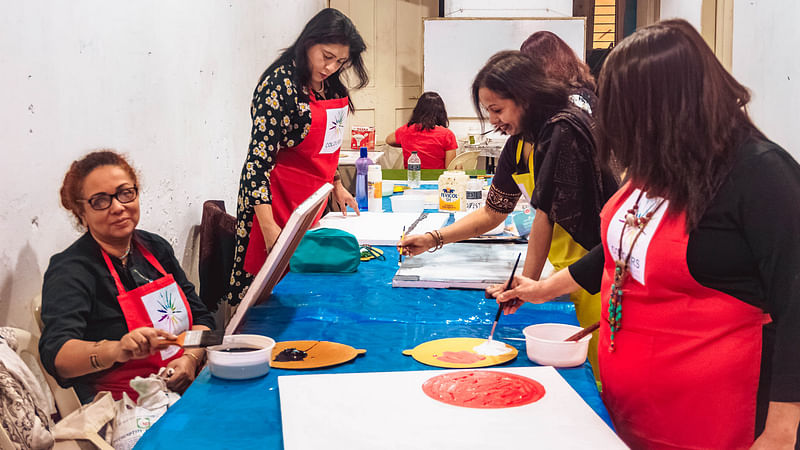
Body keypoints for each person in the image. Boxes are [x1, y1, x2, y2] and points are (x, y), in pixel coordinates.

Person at [490, 19, 800, 449]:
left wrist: (783, 432)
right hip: (636, 415)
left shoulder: (760, 174)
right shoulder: (661, 164)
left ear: (670, 105)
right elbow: (619, 249)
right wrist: (543, 289)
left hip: (714, 422)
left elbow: (796, 302)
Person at [400, 50, 617, 378]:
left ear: (525, 97)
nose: (495, 121)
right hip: (567, 271)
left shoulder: (562, 130)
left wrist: (527, 285)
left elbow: (546, 214)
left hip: (595, 270)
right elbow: (492, 212)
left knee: (598, 374)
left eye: (497, 109)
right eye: (490, 112)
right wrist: (433, 238)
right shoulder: (521, 141)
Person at [40, 151, 215, 403]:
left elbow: (202, 318)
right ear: (81, 212)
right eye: (100, 200)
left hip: (188, 383)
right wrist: (118, 349)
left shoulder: (156, 249)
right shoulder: (71, 270)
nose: (118, 207)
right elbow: (58, 357)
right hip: (128, 403)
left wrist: (189, 358)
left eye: (125, 193)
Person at [227, 8, 369, 304]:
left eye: (340, 61)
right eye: (326, 56)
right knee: (267, 292)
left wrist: (337, 184)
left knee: (303, 286)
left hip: (308, 203)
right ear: (308, 42)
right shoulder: (279, 86)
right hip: (274, 202)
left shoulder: (328, 85)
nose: (331, 67)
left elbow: (328, 145)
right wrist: (268, 228)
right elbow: (257, 164)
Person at [385, 91, 458, 169]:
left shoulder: (406, 130)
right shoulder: (447, 135)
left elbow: (389, 140)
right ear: (441, 112)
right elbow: (450, 169)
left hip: (412, 178)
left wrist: (407, 144)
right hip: (436, 180)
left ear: (418, 110)